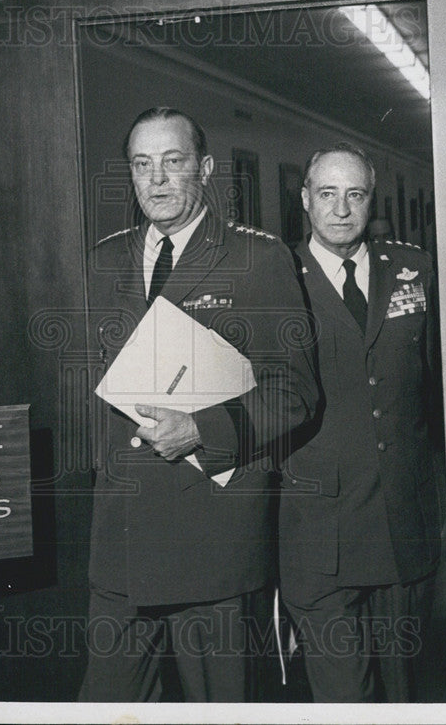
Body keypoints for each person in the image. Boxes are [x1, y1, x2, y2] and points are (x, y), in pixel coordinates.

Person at [79, 107, 318, 702]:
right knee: (104, 706)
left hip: (213, 538)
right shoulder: (105, 259)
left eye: (173, 162)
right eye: (142, 165)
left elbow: (295, 393)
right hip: (123, 539)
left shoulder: (259, 258)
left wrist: (202, 430)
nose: (156, 180)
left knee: (222, 709)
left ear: (205, 169)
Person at [279, 142, 444, 702]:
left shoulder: (413, 269)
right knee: (344, 701)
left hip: (403, 530)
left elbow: (430, 386)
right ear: (305, 199)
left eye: (355, 194)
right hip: (320, 540)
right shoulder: (278, 278)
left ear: (372, 200)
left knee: (406, 698)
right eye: (327, 194)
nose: (341, 209)